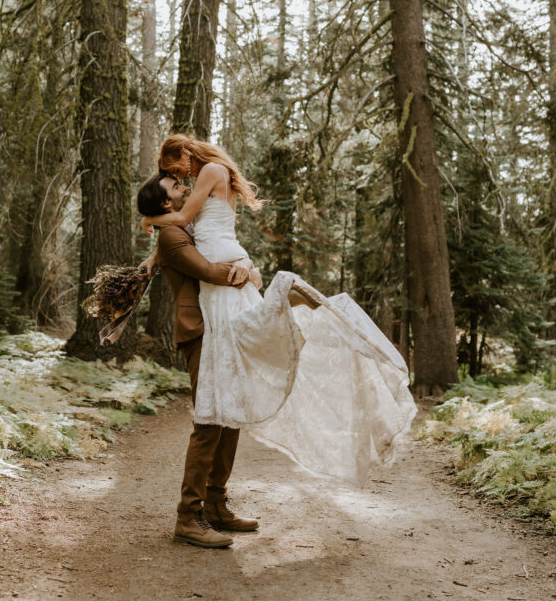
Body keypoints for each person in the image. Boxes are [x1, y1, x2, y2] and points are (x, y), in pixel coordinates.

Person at [140, 134, 417, 489]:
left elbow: (183, 219)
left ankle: (286, 296)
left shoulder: (208, 171)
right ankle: (285, 302)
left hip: (223, 267)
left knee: (242, 348)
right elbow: (183, 234)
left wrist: (148, 221)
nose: (180, 181)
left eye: (174, 171)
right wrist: (155, 253)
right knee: (239, 357)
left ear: (182, 154)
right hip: (218, 277)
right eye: (173, 180)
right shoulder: (198, 197)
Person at [136, 171, 261, 550]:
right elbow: (208, 272)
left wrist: (249, 268)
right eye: (176, 188)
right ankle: (188, 516)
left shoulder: (185, 228)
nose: (185, 189)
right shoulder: (173, 237)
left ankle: (217, 505)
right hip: (200, 331)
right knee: (209, 419)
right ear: (165, 204)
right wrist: (243, 272)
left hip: (220, 327)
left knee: (230, 415)